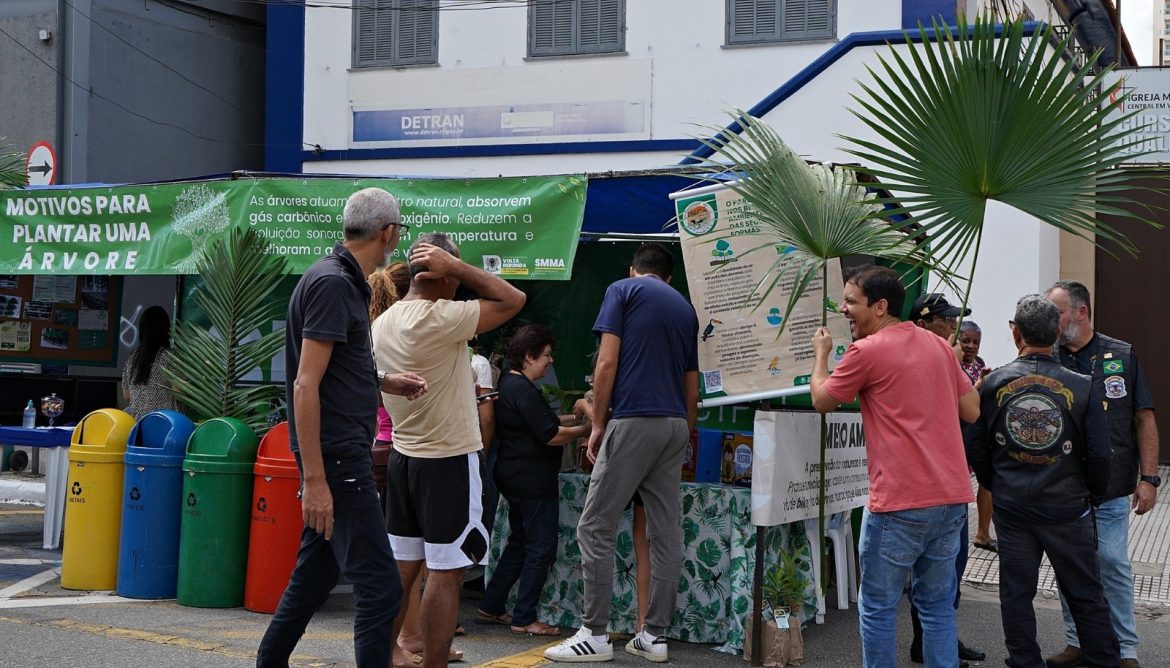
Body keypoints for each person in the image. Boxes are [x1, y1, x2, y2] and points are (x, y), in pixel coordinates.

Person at [256, 187, 428, 668]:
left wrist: (382, 380)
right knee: (380, 587)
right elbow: (305, 385)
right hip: (335, 460)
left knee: (312, 580)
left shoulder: (335, 277)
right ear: (389, 233)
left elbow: (330, 369)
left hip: (333, 455)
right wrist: (314, 481)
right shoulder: (333, 283)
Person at [809, 266, 978, 668]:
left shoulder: (865, 351)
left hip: (900, 501)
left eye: (851, 301)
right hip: (951, 497)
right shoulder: (938, 346)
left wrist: (821, 357)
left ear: (880, 306)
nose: (844, 309)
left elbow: (822, 400)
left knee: (879, 607)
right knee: (937, 606)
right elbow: (972, 410)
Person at [373, 232, 526, 668]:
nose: (458, 284)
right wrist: (456, 266)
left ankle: (384, 654)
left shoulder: (382, 322)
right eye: (453, 276)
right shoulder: (440, 317)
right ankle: (435, 662)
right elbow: (513, 298)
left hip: (403, 457)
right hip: (448, 460)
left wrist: (448, 267)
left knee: (404, 568)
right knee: (446, 572)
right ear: (442, 276)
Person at [545, 242, 698, 664]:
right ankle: (654, 636)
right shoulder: (685, 309)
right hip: (673, 425)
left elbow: (607, 363)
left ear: (634, 270)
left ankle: (593, 634)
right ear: (669, 277)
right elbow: (692, 383)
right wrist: (684, 430)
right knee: (666, 534)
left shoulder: (622, 291)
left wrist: (598, 425)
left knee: (595, 524)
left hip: (635, 420)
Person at [967, 295, 1118, 668]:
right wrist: (1092, 495)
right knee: (1085, 592)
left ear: (1014, 332)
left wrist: (996, 484)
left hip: (1012, 505)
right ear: (1057, 332)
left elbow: (977, 449)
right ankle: (1103, 661)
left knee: (1016, 593)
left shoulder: (991, 385)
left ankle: (1025, 660)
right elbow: (1100, 455)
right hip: (1068, 505)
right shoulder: (1082, 387)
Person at [1045, 280, 1160, 668]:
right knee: (1069, 564)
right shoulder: (1049, 357)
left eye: (1057, 312)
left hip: (1111, 486)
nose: (1052, 321)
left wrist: (1149, 478)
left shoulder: (1121, 354)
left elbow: (1143, 418)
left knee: (1111, 562)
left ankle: (1126, 649)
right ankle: (1077, 641)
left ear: (1081, 312)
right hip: (1064, 486)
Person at [477, 324, 590, 637]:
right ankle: (524, 617)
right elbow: (551, 435)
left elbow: (547, 422)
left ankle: (492, 604)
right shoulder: (522, 389)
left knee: (519, 544)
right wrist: (587, 429)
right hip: (531, 480)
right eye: (546, 355)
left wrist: (577, 418)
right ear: (528, 357)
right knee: (541, 548)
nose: (550, 361)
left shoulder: (512, 386)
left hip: (514, 475)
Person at [907, 293, 985, 666]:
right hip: (921, 484)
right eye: (946, 320)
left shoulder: (956, 361)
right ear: (922, 324)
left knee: (951, 569)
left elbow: (971, 411)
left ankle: (940, 640)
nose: (954, 327)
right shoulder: (918, 361)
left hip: (954, 480)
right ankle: (926, 642)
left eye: (955, 320)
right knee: (926, 574)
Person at [958, 320, 996, 554]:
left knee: (987, 480)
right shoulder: (950, 365)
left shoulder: (979, 364)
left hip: (977, 433)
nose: (971, 346)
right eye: (966, 341)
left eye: (975, 342)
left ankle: (983, 533)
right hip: (958, 434)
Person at [121, 305, 180, 419]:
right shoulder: (170, 357)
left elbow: (126, 394)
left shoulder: (132, 358)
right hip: (166, 425)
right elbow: (179, 392)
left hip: (138, 426)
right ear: (166, 329)